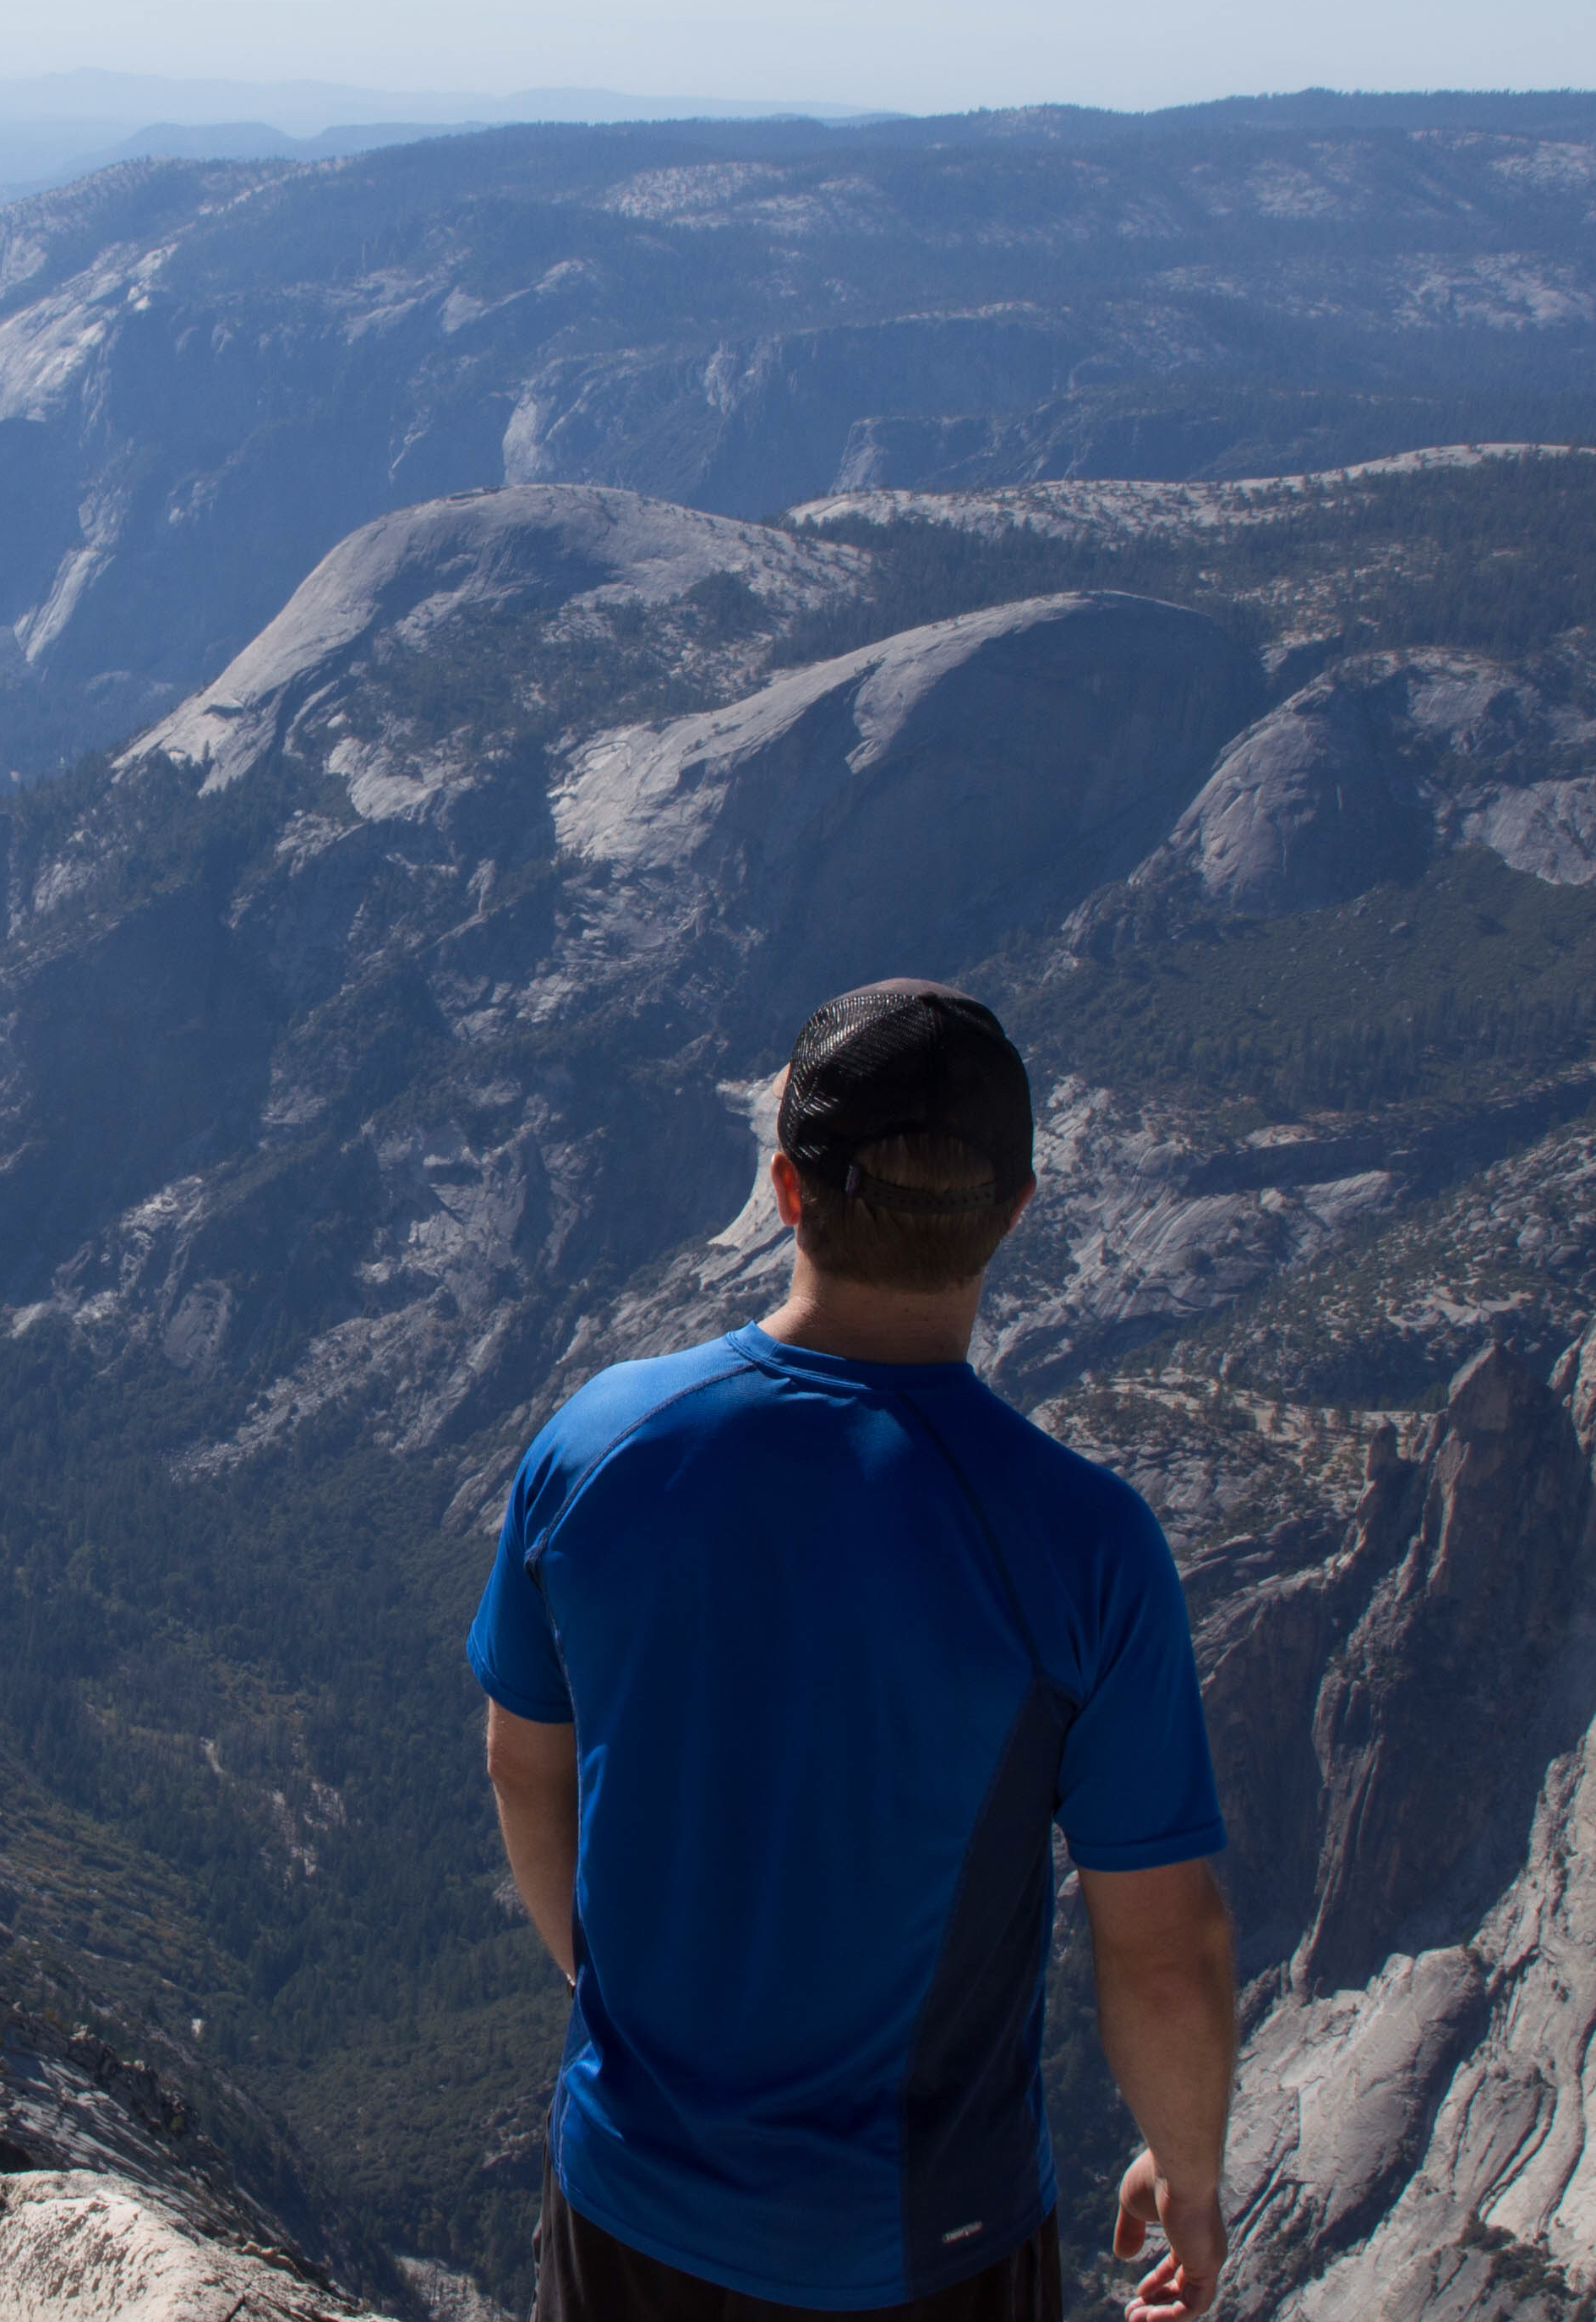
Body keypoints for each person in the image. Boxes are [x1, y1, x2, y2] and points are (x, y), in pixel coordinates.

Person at [469, 981, 1238, 2322]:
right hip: (929, 2242)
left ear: (785, 1189)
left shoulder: (597, 1449)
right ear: (1016, 1212)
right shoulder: (1086, 1547)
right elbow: (1164, 1954)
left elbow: (524, 1770)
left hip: (629, 2208)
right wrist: (1191, 2170)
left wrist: (621, 2008)